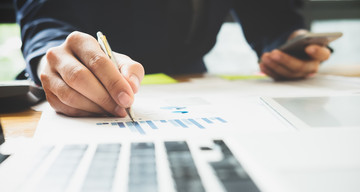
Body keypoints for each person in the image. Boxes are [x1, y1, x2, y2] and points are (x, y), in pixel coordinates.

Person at [14, 0, 331, 117]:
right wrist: (51, 57)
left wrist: (289, 44)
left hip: (193, 89)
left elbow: (271, 17)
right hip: (84, 90)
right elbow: (45, 18)